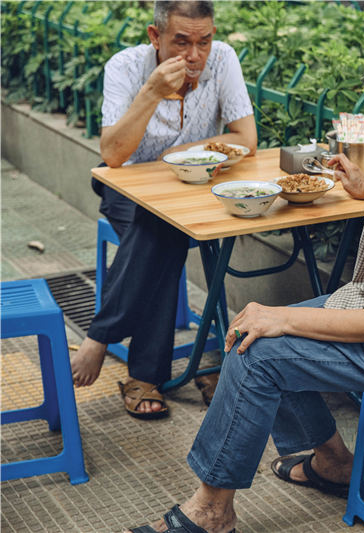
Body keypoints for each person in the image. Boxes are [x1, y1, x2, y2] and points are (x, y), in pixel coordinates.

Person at [125, 40, 364, 533]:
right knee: (252, 324)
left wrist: (287, 317)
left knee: (261, 349)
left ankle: (211, 510)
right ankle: (332, 461)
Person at [70, 0, 257, 418]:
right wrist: (152, 92)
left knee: (164, 227)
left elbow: (246, 137)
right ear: (155, 37)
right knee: (160, 224)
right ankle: (201, 365)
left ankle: (109, 343)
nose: (194, 55)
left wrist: (179, 155)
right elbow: (113, 155)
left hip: (198, 183)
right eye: (181, 42)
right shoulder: (125, 67)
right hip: (128, 185)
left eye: (203, 41)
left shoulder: (222, 59)